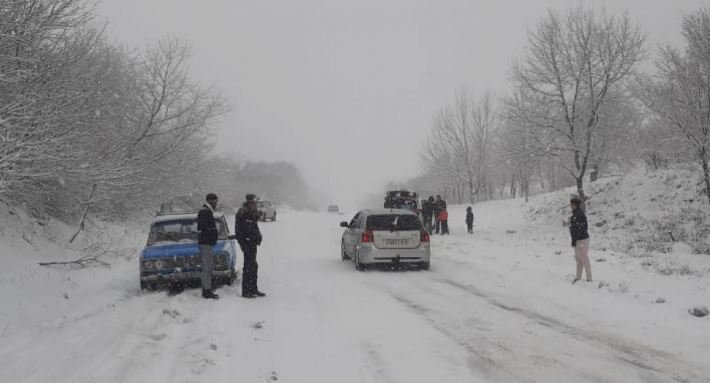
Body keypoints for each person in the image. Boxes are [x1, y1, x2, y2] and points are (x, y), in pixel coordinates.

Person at [235, 193, 265, 298]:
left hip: (252, 242)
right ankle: (246, 291)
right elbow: (244, 230)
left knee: (253, 266)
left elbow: (254, 223)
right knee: (248, 267)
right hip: (247, 243)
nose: (256, 204)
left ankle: (253, 289)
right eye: (255, 202)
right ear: (250, 202)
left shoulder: (250, 211)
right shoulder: (243, 212)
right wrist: (245, 240)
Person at [197, 193, 220, 299]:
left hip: (206, 242)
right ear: (212, 202)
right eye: (215, 202)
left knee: (208, 266)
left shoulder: (206, 211)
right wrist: (212, 237)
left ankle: (207, 288)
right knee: (207, 267)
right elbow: (207, 229)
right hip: (206, 243)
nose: (216, 204)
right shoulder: (205, 212)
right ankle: (206, 290)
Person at [569, 195, 592, 284]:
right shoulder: (575, 214)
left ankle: (589, 279)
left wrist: (576, 239)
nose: (570, 205)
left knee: (584, 259)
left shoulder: (579, 214)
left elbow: (581, 228)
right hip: (578, 240)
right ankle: (578, 277)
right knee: (579, 260)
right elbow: (575, 228)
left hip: (582, 240)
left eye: (571, 204)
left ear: (574, 205)